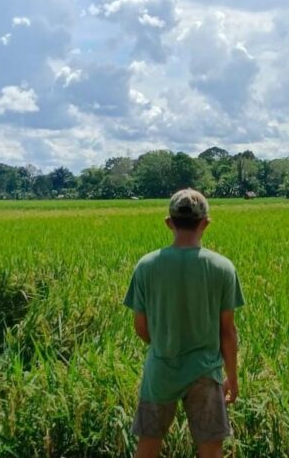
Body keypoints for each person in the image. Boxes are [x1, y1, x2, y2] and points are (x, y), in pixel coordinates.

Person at [123, 189, 245, 458]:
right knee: (210, 449)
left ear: (169, 222)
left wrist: (167, 344)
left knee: (148, 446)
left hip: (161, 371)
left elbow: (141, 328)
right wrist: (232, 378)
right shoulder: (222, 267)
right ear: (205, 223)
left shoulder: (146, 266)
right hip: (205, 371)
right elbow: (227, 331)